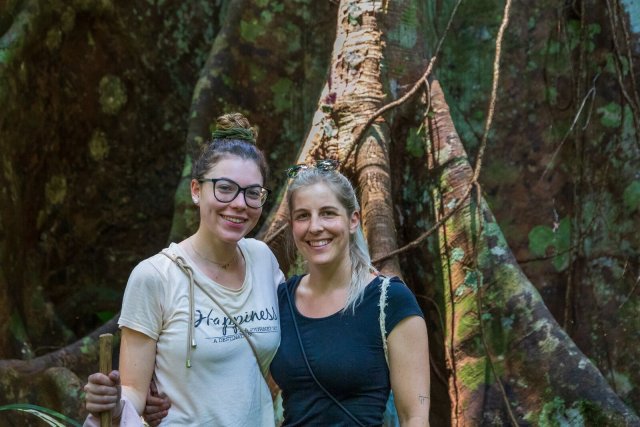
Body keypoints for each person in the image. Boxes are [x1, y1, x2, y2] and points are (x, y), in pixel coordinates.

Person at [83, 112, 285, 426]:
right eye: (225, 188)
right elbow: (134, 391)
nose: (239, 204)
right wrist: (110, 400)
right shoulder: (154, 277)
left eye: (252, 193)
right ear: (195, 190)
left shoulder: (263, 260)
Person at [269, 160, 431, 426]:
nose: (315, 227)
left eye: (328, 213)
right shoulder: (280, 299)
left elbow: (415, 416)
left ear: (353, 219)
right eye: (302, 216)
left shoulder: (390, 301)